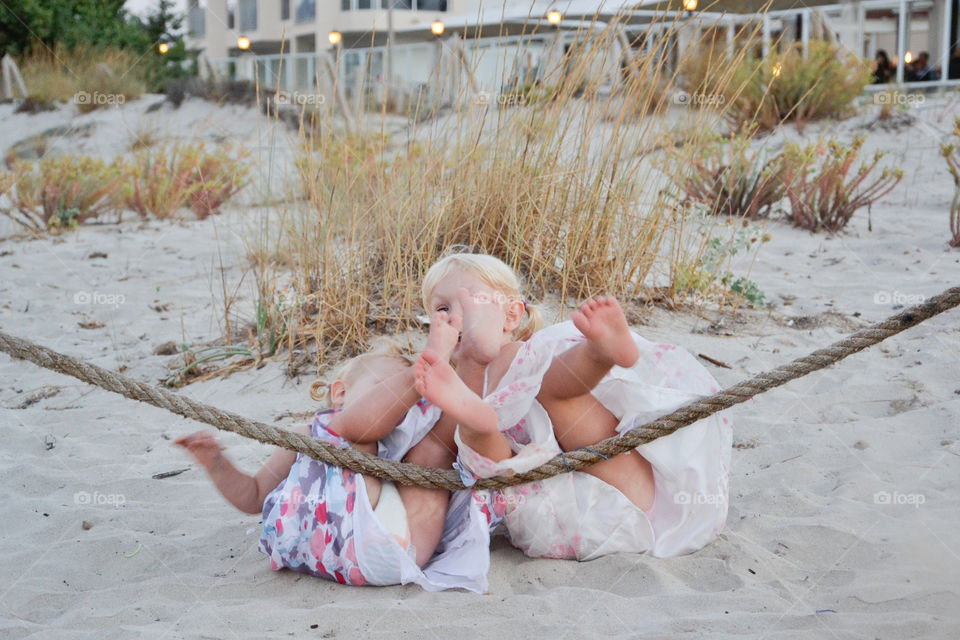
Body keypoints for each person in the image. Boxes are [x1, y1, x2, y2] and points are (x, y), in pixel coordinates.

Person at [414, 252, 733, 560]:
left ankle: (598, 354)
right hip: (568, 514)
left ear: (511, 316)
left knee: (537, 392)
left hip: (617, 500)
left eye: (473, 301)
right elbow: (435, 460)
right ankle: (595, 355)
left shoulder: (522, 357)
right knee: (484, 444)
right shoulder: (443, 388)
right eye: (441, 309)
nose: (453, 316)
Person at [175, 339, 490, 591]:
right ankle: (451, 367)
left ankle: (472, 363)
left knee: (434, 449)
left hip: (393, 554)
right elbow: (253, 496)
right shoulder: (309, 437)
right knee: (350, 436)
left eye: (412, 396)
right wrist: (217, 463)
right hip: (317, 543)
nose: (401, 403)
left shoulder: (402, 452)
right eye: (387, 387)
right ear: (340, 392)